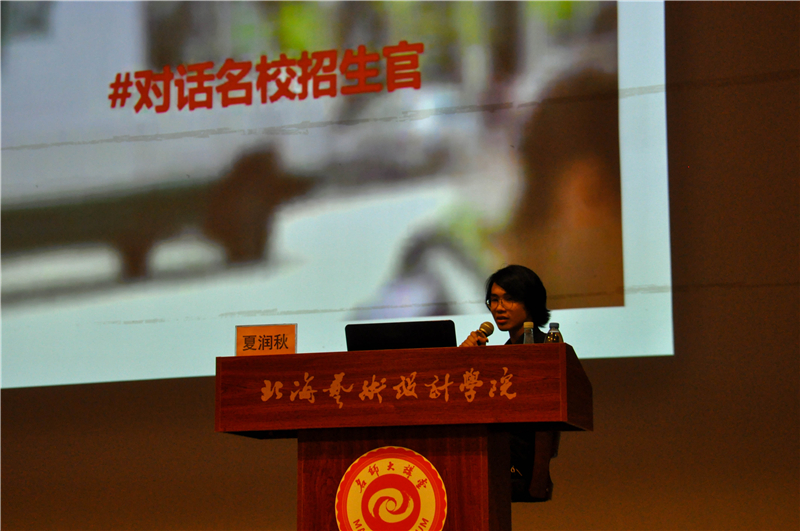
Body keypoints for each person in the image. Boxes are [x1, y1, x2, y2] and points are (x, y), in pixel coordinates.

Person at [460, 264, 559, 503]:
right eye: (494, 300)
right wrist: (465, 360)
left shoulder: (547, 348)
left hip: (521, 458)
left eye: (510, 299)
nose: (499, 308)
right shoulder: (502, 353)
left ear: (531, 303)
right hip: (497, 451)